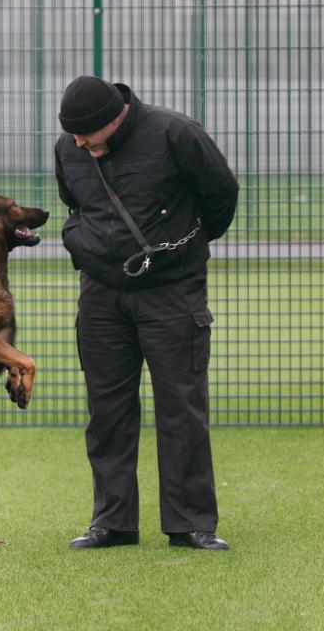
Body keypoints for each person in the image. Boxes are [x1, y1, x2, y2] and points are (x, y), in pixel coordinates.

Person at [54, 75, 239, 550]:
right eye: (72, 135)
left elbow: (221, 194)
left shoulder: (175, 133)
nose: (77, 143)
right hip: (100, 294)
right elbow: (75, 204)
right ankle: (112, 522)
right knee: (107, 410)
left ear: (113, 119)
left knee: (182, 406)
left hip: (172, 292)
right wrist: (84, 245)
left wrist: (182, 252)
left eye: (85, 135)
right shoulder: (69, 148)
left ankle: (191, 523)